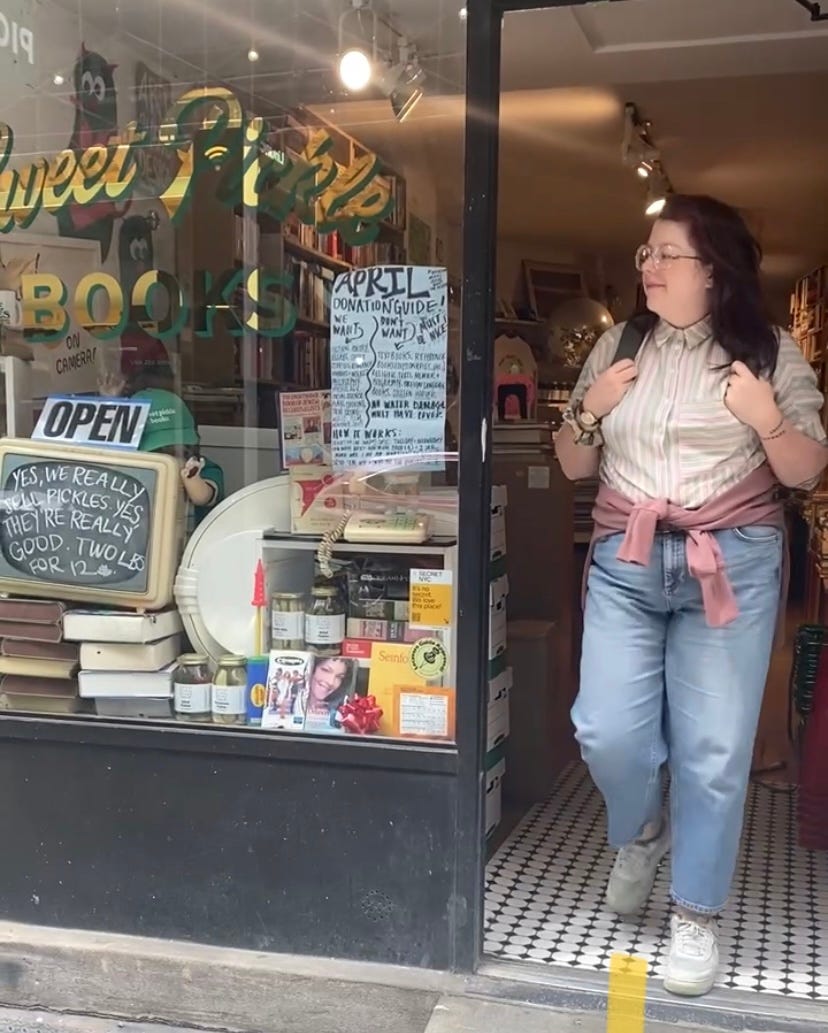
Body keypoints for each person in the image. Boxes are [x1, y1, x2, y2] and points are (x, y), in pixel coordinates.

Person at [557, 195, 827, 998]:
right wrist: (588, 409)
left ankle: (696, 915)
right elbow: (574, 463)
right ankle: (641, 828)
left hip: (730, 560)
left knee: (713, 753)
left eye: (665, 253)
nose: (647, 264)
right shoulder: (618, 341)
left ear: (713, 271)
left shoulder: (770, 351)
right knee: (603, 729)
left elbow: (807, 468)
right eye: (646, 251)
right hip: (628, 559)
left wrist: (768, 417)